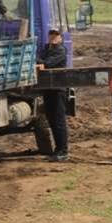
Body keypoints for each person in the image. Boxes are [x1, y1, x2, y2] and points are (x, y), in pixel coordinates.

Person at [38, 29, 69, 162]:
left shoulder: (60, 50)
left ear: (61, 38)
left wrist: (39, 61)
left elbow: (47, 63)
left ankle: (63, 151)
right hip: (48, 89)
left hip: (58, 89)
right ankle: (57, 150)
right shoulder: (46, 48)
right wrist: (40, 60)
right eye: (51, 35)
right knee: (52, 120)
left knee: (59, 121)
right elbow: (40, 60)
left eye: (56, 36)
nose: (53, 38)